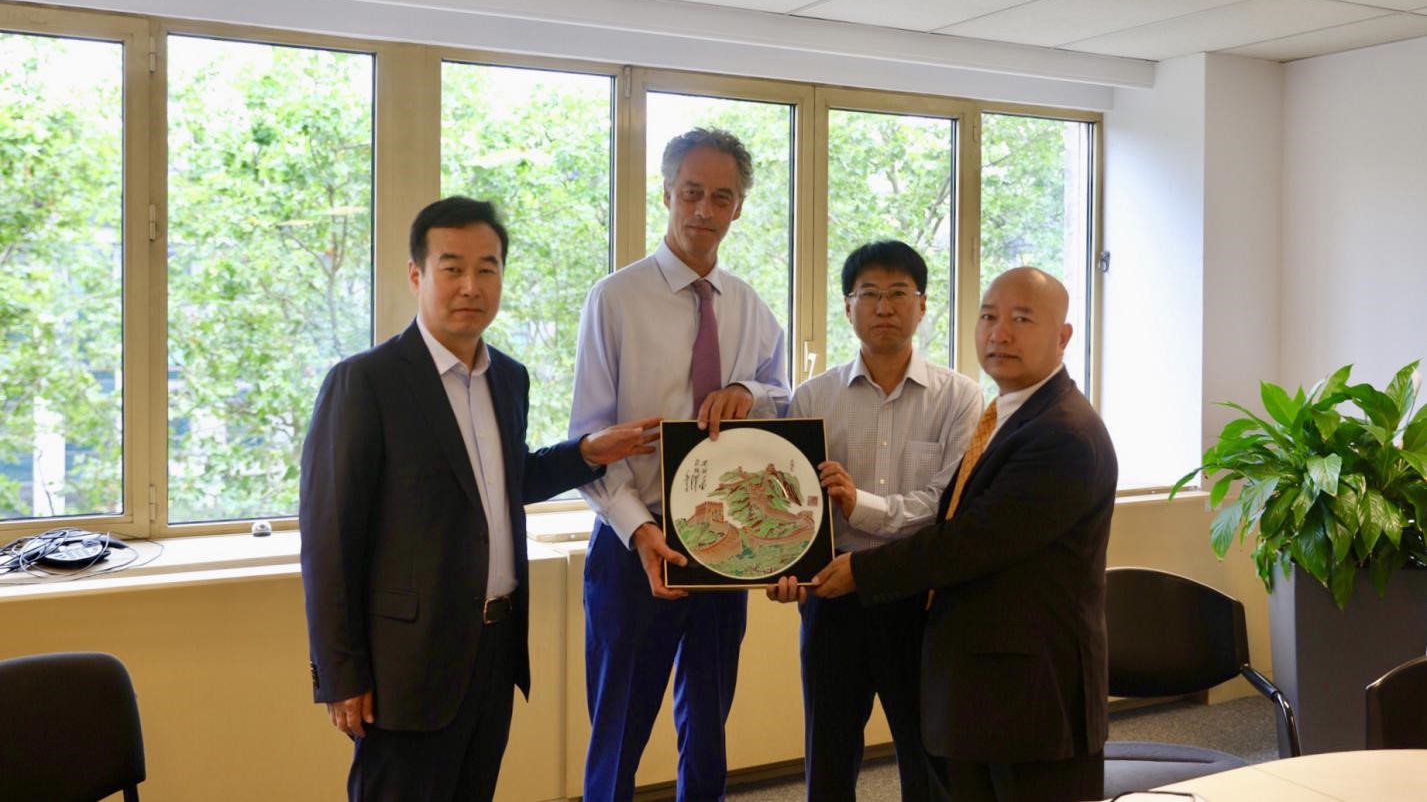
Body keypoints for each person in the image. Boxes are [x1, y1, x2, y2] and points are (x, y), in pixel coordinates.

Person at [299, 196, 661, 802]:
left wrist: (587, 452)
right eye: (452, 268)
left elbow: (503, 481)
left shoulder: (507, 378)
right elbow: (330, 540)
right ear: (416, 275)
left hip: (494, 650)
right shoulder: (365, 382)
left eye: (487, 268)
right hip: (406, 665)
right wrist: (340, 673)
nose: (471, 286)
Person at [810, 266, 1118, 802]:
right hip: (988, 677)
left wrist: (860, 570)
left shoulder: (1062, 434)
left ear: (1064, 335)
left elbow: (970, 541)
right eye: (988, 317)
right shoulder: (1008, 414)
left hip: (1030, 690)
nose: (1000, 334)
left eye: (1022, 320)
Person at [570, 127, 791, 802]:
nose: (703, 209)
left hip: (725, 542)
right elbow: (586, 440)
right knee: (619, 729)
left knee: (709, 724)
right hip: (635, 541)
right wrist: (639, 532)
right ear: (666, 193)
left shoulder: (750, 306)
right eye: (691, 192)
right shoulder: (615, 298)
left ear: (738, 208)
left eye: (721, 197)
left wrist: (747, 391)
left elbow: (783, 402)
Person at [769, 240, 981, 801]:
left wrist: (858, 503)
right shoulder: (811, 398)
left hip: (921, 594)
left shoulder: (960, 398)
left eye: (898, 293)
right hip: (833, 595)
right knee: (829, 754)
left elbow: (946, 505)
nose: (884, 307)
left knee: (929, 755)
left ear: (923, 304)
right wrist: (781, 566)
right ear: (847, 306)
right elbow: (790, 505)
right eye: (869, 294)